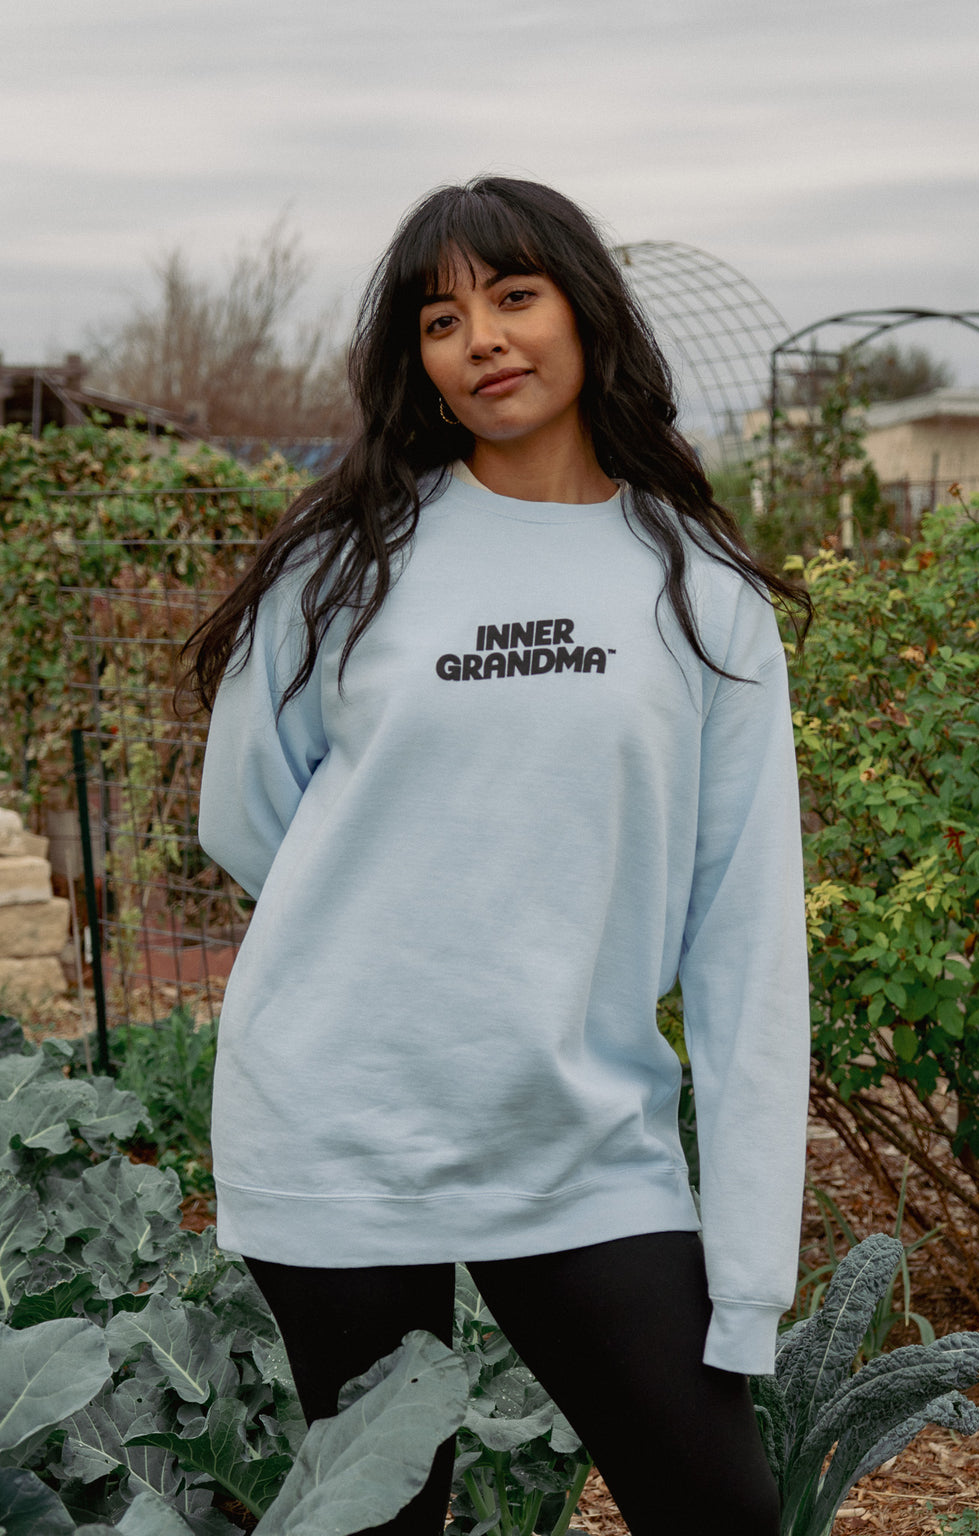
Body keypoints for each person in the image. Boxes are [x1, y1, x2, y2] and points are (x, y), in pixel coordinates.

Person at [184, 175, 812, 1536]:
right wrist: (403, 930)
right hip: (339, 1127)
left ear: (586, 313)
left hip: (585, 1144)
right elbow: (243, 815)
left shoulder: (699, 591)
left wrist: (752, 1266)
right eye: (440, 317)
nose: (482, 339)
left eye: (514, 296)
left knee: (721, 1512)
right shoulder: (348, 561)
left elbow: (745, 937)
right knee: (385, 1523)